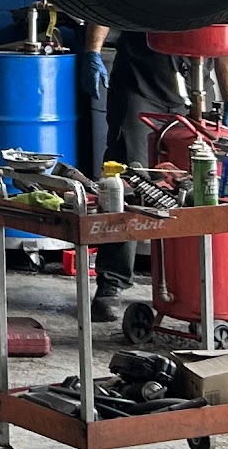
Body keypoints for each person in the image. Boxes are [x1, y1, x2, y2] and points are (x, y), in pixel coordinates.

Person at [81, 23, 194, 325]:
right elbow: (105, 5)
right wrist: (92, 52)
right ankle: (111, 284)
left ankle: (192, 284)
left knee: (192, 186)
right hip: (139, 83)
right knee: (128, 183)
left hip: (192, 85)